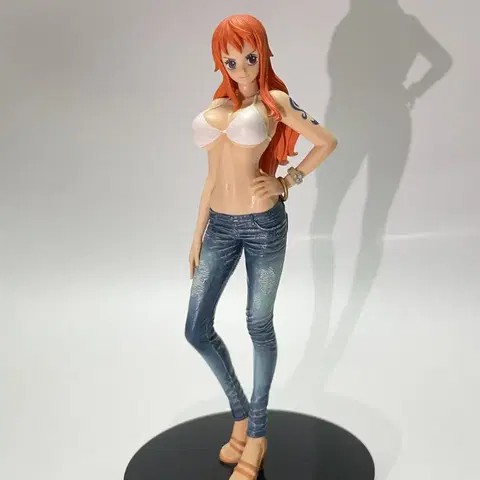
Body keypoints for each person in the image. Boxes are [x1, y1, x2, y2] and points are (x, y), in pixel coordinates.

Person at [184, 13, 337, 479]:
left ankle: (258, 433)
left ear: (263, 54)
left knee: (257, 323)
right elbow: (212, 177)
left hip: (263, 225)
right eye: (231, 61)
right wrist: (197, 232)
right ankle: (241, 412)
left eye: (250, 57)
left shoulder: (275, 102)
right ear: (220, 62)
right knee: (196, 328)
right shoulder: (219, 106)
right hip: (220, 226)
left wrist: (287, 180)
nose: (242, 69)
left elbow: (326, 141)